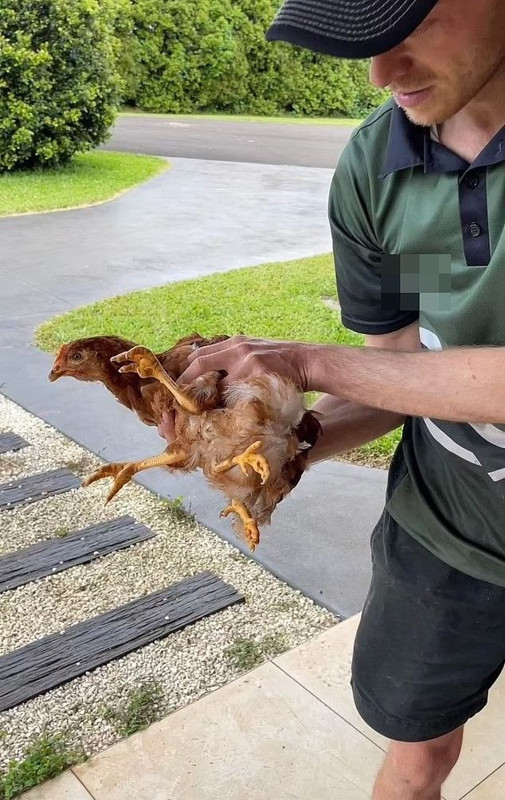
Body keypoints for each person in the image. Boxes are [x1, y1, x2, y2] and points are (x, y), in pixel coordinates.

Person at [168, 1, 505, 797]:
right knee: (415, 748)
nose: (381, 76)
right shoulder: (373, 165)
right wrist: (274, 446)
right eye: (360, 45)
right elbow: (395, 377)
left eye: (407, 30)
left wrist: (307, 361)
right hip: (444, 533)